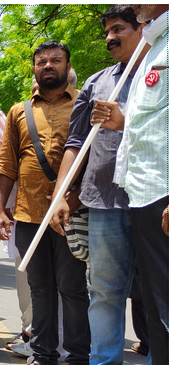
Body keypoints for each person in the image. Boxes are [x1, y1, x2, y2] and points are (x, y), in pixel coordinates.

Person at [46, 6, 147, 364]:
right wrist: (61, 195)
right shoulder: (96, 82)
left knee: (156, 291)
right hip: (103, 201)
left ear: (144, 28)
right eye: (106, 31)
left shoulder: (161, 76)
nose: (109, 38)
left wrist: (125, 122)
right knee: (104, 291)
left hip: (151, 201)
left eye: (118, 29)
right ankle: (104, 360)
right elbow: (75, 144)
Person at [0, 41, 89, 365]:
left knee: (72, 289)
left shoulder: (84, 104)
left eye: (55, 60)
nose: (48, 66)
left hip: (70, 215)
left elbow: (94, 159)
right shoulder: (19, 112)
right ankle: (43, 353)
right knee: (40, 288)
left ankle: (78, 355)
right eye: (42, 61)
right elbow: (6, 164)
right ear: (34, 67)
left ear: (67, 65)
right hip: (28, 215)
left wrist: (73, 199)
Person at [92, 5, 169, 364]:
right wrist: (123, 122)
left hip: (163, 197)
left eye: (118, 29)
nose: (111, 38)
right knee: (156, 305)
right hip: (140, 196)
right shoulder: (156, 48)